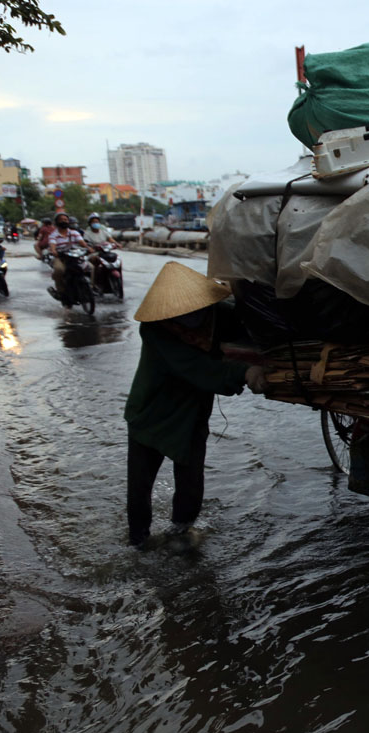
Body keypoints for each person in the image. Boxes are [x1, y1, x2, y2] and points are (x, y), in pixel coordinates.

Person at [124, 262, 267, 549]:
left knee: (190, 479)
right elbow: (198, 369)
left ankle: (181, 532)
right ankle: (138, 541)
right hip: (151, 412)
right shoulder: (155, 330)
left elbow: (252, 330)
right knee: (140, 485)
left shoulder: (219, 316)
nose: (189, 315)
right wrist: (244, 372)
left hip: (192, 411)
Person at [46, 211, 92, 300]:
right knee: (59, 270)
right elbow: (52, 245)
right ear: (57, 222)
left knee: (91, 267)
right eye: (61, 220)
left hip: (75, 256)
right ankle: (61, 292)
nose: (64, 221)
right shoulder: (53, 235)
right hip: (61, 257)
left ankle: (91, 287)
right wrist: (54, 250)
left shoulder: (74, 233)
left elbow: (82, 242)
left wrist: (88, 248)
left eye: (65, 219)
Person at [83, 212, 120, 279]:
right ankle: (95, 281)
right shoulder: (87, 234)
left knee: (116, 259)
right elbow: (86, 244)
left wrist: (116, 244)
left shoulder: (103, 231)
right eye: (93, 222)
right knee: (96, 262)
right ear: (90, 223)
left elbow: (110, 239)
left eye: (97, 222)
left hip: (105, 252)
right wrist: (90, 248)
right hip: (94, 253)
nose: (95, 223)